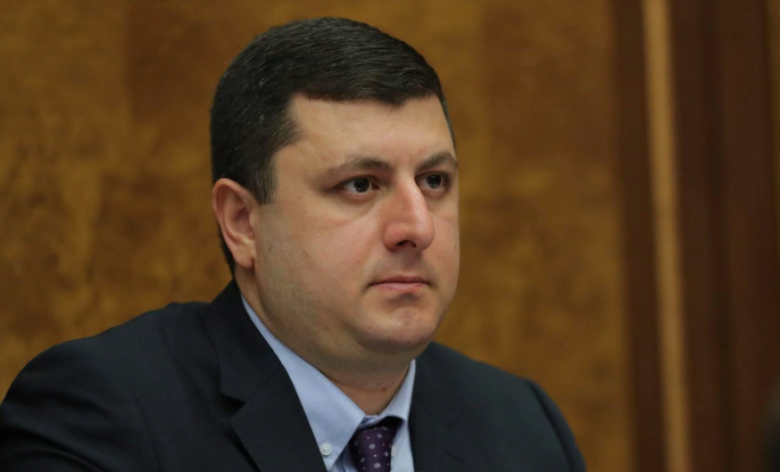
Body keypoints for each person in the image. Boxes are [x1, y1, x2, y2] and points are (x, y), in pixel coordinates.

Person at [0, 17, 585, 472]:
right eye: (361, 185)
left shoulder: (524, 427)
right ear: (243, 223)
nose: (418, 227)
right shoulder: (102, 414)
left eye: (434, 181)